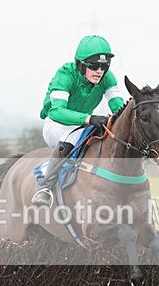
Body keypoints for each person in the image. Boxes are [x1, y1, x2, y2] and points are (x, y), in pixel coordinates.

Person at [31, 35, 126, 206]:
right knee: (73, 138)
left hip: (83, 125)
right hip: (57, 125)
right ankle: (45, 187)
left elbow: (117, 104)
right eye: (94, 66)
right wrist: (89, 118)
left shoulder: (107, 78)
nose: (99, 71)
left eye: (104, 66)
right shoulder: (65, 75)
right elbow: (56, 111)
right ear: (81, 64)